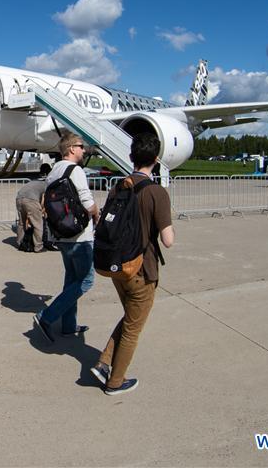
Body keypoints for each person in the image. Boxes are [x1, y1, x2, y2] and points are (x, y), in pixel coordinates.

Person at [91, 133, 175, 396]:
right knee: (133, 328)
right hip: (142, 269)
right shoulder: (156, 192)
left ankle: (104, 363)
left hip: (118, 265)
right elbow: (168, 240)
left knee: (130, 318)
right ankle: (115, 381)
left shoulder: (119, 187)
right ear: (156, 160)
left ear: (131, 157)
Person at [33, 132, 99, 342]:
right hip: (79, 237)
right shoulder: (75, 170)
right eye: (81, 146)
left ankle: (69, 325)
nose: (84, 150)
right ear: (71, 149)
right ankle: (47, 316)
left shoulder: (54, 171)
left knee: (72, 280)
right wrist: (97, 212)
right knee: (86, 280)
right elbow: (88, 203)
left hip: (62, 234)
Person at [15, 163, 51, 252]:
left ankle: (20, 243)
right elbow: (43, 200)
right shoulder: (46, 184)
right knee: (38, 224)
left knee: (22, 223)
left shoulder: (33, 181)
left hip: (19, 198)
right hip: (31, 200)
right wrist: (43, 210)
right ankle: (38, 247)